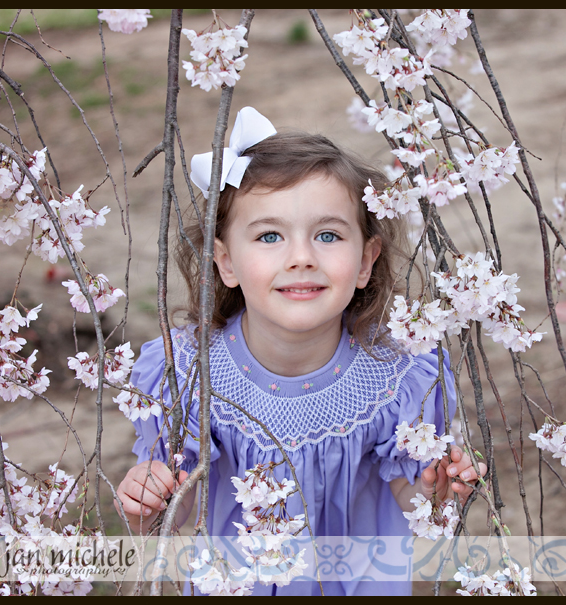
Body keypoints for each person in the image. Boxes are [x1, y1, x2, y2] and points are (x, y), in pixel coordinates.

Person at [114, 107, 486, 596]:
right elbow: (177, 509)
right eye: (269, 236)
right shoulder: (188, 372)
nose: (301, 257)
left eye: (328, 235)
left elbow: (407, 491)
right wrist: (147, 498)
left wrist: (435, 490)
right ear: (225, 261)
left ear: (365, 261)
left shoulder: (398, 375)